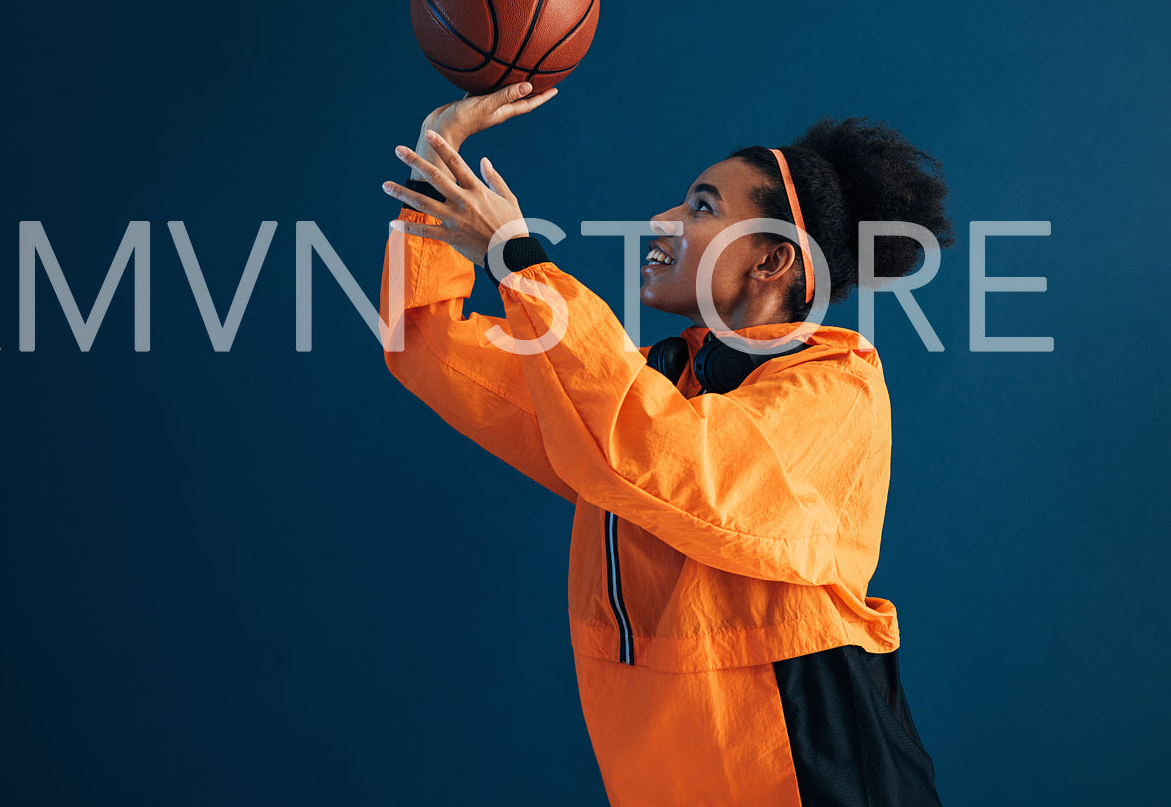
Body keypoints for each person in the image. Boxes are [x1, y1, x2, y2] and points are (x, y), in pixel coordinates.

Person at [379, 82, 951, 806]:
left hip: (810, 766)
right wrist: (441, 154)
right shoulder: (645, 384)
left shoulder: (836, 384)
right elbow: (428, 348)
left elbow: (675, 463)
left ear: (771, 262)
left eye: (702, 207)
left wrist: (521, 260)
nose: (661, 219)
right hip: (664, 775)